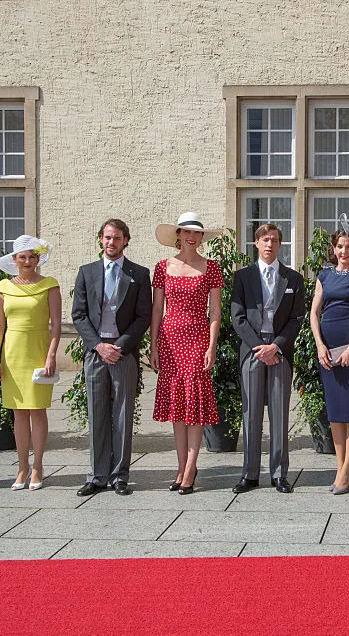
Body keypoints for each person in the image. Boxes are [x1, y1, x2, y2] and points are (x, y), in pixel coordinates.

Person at [72, 219, 152, 497]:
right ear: (100, 240)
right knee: (97, 414)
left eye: (117, 238)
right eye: (107, 237)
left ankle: (119, 475)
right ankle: (96, 476)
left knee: (122, 414)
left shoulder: (139, 274)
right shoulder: (87, 272)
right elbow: (79, 315)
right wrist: (98, 346)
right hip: (96, 353)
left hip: (123, 352)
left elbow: (144, 315)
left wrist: (119, 346)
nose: (111, 242)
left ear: (126, 240)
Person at [150, 212, 224, 495]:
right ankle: (181, 468)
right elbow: (157, 309)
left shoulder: (212, 267)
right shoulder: (161, 267)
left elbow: (215, 311)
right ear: (178, 236)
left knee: (195, 405)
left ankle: (191, 468)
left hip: (197, 339)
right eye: (186, 232)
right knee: (177, 408)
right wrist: (154, 345)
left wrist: (212, 346)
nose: (192, 237)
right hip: (169, 340)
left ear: (202, 238)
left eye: (197, 234)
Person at [230, 223, 305, 494]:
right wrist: (258, 346)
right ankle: (250, 474)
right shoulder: (243, 277)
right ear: (256, 243)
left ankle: (278, 474)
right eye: (264, 239)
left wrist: (276, 346)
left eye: (274, 240)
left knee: (279, 414)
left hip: (280, 352)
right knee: (250, 413)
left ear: (280, 245)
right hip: (252, 350)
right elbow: (237, 318)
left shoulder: (293, 279)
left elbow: (297, 319)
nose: (269, 244)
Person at [310, 217, 349, 495]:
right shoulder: (324, 275)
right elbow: (314, 312)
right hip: (327, 350)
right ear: (333, 249)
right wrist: (319, 345)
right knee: (335, 413)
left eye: (348, 246)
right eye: (339, 246)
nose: (343, 251)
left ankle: (348, 467)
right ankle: (341, 467)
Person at [0, 235, 61, 491]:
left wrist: (52, 355)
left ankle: (38, 465)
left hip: (38, 351)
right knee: (18, 413)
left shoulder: (50, 285)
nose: (28, 261)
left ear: (38, 258)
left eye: (33, 256)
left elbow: (55, 326)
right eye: (23, 257)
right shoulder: (3, 287)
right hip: (13, 354)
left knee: (37, 410)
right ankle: (21, 466)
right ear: (14, 260)